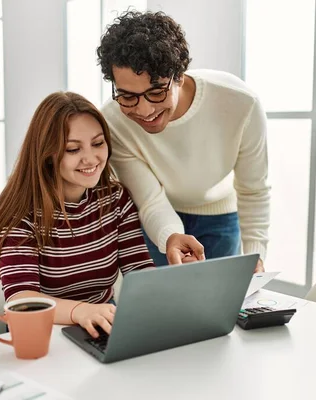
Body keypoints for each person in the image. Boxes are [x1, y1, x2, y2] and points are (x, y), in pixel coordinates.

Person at [97, 11, 270, 272]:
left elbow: (253, 189)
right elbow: (149, 200)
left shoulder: (240, 103)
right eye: (127, 96)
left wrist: (255, 255)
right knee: (164, 307)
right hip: (157, 217)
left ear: (179, 76)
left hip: (220, 216)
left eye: (156, 92)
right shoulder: (113, 121)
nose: (143, 111)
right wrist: (170, 236)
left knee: (219, 307)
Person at [0, 92, 154, 338]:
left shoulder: (115, 199)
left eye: (98, 144)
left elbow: (138, 270)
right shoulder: (21, 215)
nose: (91, 158)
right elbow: (21, 300)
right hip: (41, 335)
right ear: (48, 155)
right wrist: (80, 312)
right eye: (73, 149)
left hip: (100, 329)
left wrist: (172, 287)